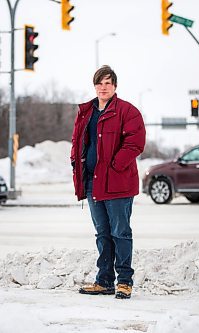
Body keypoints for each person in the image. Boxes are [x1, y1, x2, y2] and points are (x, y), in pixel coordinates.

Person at [70, 65, 146, 299]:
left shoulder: (127, 111)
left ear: (115, 86)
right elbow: (77, 140)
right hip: (93, 182)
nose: (103, 87)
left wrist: (115, 166)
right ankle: (104, 281)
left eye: (108, 83)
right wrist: (75, 161)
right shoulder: (86, 112)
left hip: (118, 183)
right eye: (99, 83)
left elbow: (135, 143)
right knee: (102, 233)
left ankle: (124, 281)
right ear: (95, 85)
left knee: (120, 232)